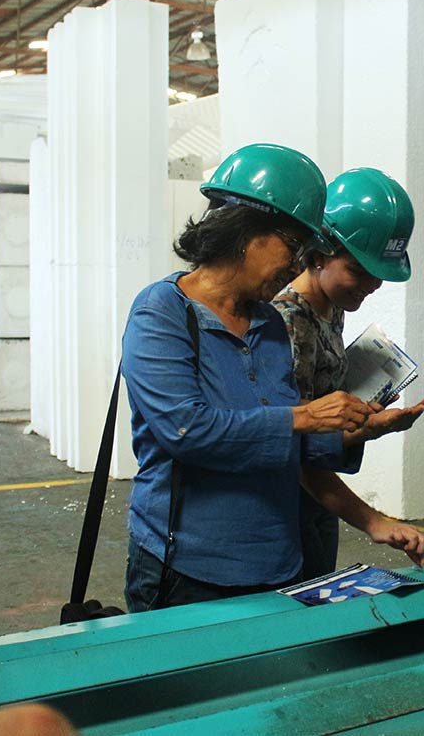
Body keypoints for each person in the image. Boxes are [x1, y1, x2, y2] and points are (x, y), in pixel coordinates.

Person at [121, 143, 375, 612]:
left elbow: (281, 442)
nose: (298, 266)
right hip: (187, 572)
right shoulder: (163, 312)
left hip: (277, 564)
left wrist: (351, 432)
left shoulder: (270, 323)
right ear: (244, 231)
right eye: (292, 247)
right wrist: (304, 417)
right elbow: (188, 430)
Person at [274, 167, 424, 578]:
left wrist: (364, 414)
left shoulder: (332, 307)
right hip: (285, 505)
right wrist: (373, 520)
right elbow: (297, 450)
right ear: (319, 253)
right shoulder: (290, 320)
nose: (372, 285)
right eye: (359, 272)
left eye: (378, 274)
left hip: (315, 503)